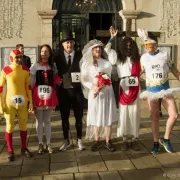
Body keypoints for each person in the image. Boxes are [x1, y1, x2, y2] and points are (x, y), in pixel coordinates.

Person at [138, 29, 180, 154]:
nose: (147, 47)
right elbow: (139, 72)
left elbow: (173, 70)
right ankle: (156, 143)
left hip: (165, 90)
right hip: (152, 91)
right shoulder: (143, 58)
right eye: (145, 45)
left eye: (149, 45)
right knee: (155, 117)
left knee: (174, 115)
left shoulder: (164, 55)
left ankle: (166, 139)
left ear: (155, 45)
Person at [80, 28, 118, 152]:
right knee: (95, 115)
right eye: (95, 48)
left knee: (107, 115)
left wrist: (111, 39)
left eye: (99, 48)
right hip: (95, 93)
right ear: (91, 50)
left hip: (107, 92)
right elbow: (84, 79)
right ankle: (97, 140)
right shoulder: (87, 64)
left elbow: (113, 60)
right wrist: (93, 86)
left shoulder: (106, 62)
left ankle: (108, 140)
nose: (98, 50)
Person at [54, 28, 85, 151]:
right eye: (67, 42)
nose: (69, 44)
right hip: (63, 91)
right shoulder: (57, 56)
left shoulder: (80, 55)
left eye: (71, 42)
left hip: (77, 91)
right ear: (62, 44)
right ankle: (66, 140)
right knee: (64, 117)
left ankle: (79, 140)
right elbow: (51, 71)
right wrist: (57, 80)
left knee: (79, 116)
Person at [0, 49, 33, 161]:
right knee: (9, 126)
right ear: (11, 58)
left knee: (23, 125)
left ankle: (24, 148)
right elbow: (0, 88)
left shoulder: (25, 69)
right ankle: (10, 150)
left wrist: (31, 102)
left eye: (20, 57)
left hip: (22, 102)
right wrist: (1, 104)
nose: (19, 59)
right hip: (10, 103)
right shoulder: (5, 70)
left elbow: (28, 87)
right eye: (17, 57)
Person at [30, 44, 61, 154]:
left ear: (49, 53)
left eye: (46, 51)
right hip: (38, 96)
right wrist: (31, 98)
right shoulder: (35, 66)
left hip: (49, 95)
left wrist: (58, 81)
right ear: (40, 53)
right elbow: (31, 82)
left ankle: (48, 143)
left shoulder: (52, 66)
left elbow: (55, 80)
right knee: (39, 120)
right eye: (42, 51)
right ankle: (40, 143)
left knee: (47, 121)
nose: (44, 53)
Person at [115, 36, 141, 151]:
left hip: (135, 85)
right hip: (124, 85)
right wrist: (111, 39)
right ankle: (125, 139)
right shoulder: (118, 58)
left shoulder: (138, 59)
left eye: (131, 45)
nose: (129, 47)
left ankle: (134, 139)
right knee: (124, 112)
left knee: (134, 112)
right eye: (126, 45)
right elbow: (107, 51)